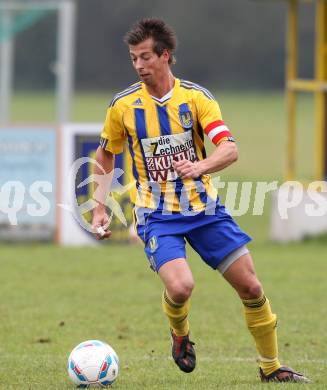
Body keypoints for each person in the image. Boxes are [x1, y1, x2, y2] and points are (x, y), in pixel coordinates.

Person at [92, 18, 310, 383]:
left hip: (205, 210)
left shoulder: (196, 98)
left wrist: (200, 166)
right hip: (157, 214)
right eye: (133, 59)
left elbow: (230, 149)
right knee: (180, 287)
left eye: (145, 57)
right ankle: (180, 337)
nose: (139, 66)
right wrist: (100, 207)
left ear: (166, 55)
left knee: (252, 288)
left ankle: (272, 368)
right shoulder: (123, 106)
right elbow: (105, 155)